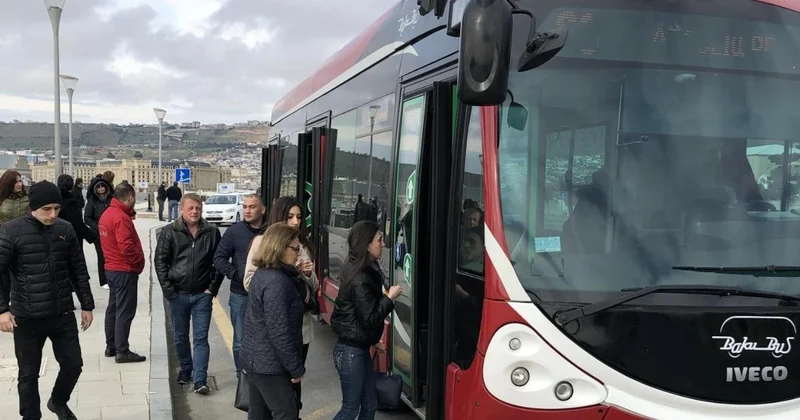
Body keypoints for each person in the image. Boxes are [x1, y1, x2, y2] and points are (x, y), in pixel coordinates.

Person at [0, 180, 95, 420]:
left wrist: (87, 305)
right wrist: (2, 310)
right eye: (47, 209)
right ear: (33, 207)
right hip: (27, 316)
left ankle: (58, 401)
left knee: (74, 364)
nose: (52, 214)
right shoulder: (11, 231)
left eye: (56, 208)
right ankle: (30, 416)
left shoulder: (65, 229)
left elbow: (79, 269)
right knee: (28, 374)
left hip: (61, 312)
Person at [243, 196, 318, 413]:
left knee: (262, 413)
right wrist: (295, 368)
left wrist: (305, 273)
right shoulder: (275, 280)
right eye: (290, 216)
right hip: (271, 359)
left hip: (264, 356)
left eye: (299, 217)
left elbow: (312, 286)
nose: (296, 221)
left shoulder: (278, 271)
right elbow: (278, 331)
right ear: (279, 247)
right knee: (286, 410)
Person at [330, 221, 402, 420]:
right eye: (379, 240)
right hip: (350, 353)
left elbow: (358, 316)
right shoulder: (360, 277)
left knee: (370, 404)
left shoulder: (362, 269)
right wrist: (389, 299)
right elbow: (369, 318)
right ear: (367, 244)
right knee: (350, 409)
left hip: (358, 349)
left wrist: (373, 342)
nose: (383, 244)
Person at [155, 193, 223, 394]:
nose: (194, 212)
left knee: (201, 338)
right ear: (182, 209)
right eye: (191, 208)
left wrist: (212, 288)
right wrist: (169, 290)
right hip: (178, 295)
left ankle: (200, 380)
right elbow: (160, 262)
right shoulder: (170, 232)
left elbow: (218, 261)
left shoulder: (211, 232)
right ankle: (186, 369)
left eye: (198, 208)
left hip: (203, 295)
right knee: (180, 337)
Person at [213, 193, 266, 375]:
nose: (247, 210)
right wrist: (235, 274)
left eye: (252, 207)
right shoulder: (234, 232)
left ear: (262, 209)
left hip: (266, 296)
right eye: (244, 207)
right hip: (240, 295)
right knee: (240, 340)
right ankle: (242, 376)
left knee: (265, 338)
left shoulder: (271, 233)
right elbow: (219, 258)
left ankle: (261, 373)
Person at [99, 182, 147, 363]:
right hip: (124, 269)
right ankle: (122, 350)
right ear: (131, 197)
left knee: (113, 308)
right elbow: (126, 246)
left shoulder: (107, 214)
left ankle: (111, 346)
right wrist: (139, 262)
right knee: (125, 311)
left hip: (111, 268)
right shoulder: (120, 217)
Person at [84, 177, 114, 289]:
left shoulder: (112, 199)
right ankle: (104, 280)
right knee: (102, 256)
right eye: (98, 186)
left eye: (102, 186)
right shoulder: (92, 201)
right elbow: (87, 218)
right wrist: (97, 228)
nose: (101, 188)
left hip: (112, 233)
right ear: (95, 189)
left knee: (112, 256)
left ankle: (113, 277)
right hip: (99, 234)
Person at [57, 174, 97, 246]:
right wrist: (93, 237)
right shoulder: (71, 202)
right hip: (71, 238)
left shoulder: (54, 200)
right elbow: (77, 224)